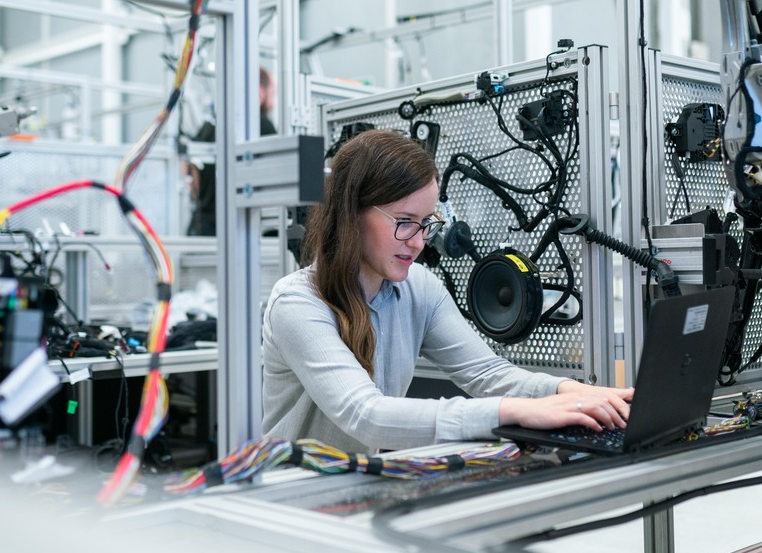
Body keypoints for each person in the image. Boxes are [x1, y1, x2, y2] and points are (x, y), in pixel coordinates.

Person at [261, 129, 633, 453]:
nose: (419, 242)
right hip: (293, 501)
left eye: (426, 224)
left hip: (356, 486)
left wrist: (569, 392)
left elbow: (488, 374)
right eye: (405, 223)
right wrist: (512, 411)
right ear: (351, 213)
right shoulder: (298, 303)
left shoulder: (418, 289)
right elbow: (366, 415)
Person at [185, 67, 276, 236]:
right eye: (273, 93)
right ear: (259, 91)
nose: (274, 100)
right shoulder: (262, 125)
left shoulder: (210, 126)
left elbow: (190, 173)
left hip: (202, 226)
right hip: (239, 225)